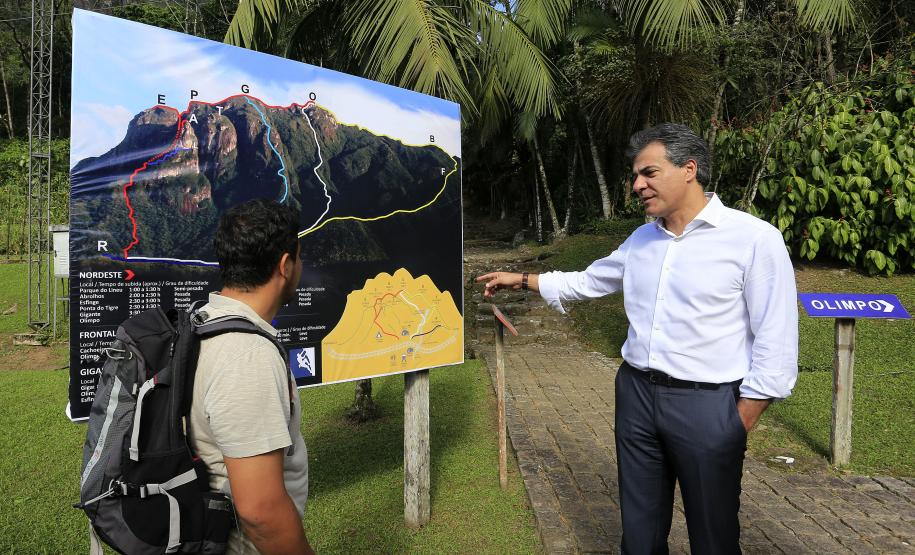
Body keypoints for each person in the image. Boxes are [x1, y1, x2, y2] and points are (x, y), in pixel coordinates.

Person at [476, 123, 798, 554]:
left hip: (707, 406)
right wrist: (524, 279)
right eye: (634, 176)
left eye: (648, 173)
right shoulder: (642, 240)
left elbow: (776, 341)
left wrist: (736, 424)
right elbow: (590, 281)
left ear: (689, 169)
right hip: (636, 397)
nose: (637, 185)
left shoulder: (753, 239)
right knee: (640, 535)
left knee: (714, 537)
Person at [189, 198, 314, 554]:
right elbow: (261, 512)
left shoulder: (205, 319)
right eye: (299, 257)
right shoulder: (247, 357)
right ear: (286, 265)